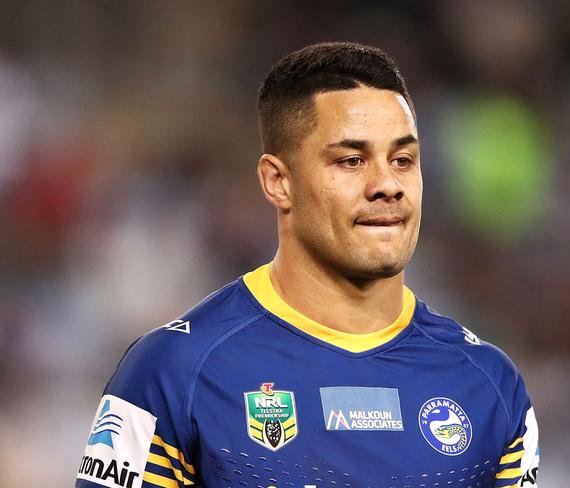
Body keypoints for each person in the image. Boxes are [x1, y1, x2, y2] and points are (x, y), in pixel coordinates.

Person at [75, 42, 539, 488]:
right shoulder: (175, 371)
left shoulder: (488, 384)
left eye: (403, 159)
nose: (387, 185)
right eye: (352, 160)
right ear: (278, 182)